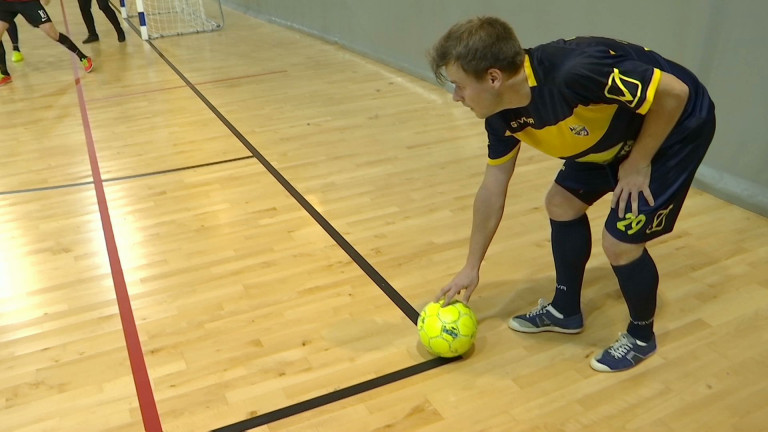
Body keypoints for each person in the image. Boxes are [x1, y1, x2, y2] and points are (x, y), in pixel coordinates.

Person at [430, 16, 715, 372]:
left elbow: (674, 93)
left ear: (493, 77)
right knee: (561, 203)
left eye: (459, 85)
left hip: (675, 127)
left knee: (620, 243)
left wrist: (639, 161)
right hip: (613, 134)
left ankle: (642, 336)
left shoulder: (575, 71)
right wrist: (471, 267)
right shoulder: (501, 116)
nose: (455, 97)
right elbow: (492, 187)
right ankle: (566, 309)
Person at [0, 0, 93, 87]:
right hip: (6, 3)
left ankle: (83, 57)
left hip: (28, 3)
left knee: (52, 33)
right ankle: (4, 73)